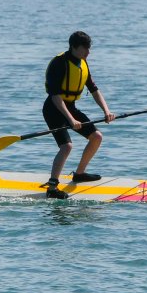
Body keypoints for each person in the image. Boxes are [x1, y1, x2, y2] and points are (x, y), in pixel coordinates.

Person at [41, 31, 115, 198]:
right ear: (74, 47)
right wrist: (71, 119)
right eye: (85, 49)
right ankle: (52, 188)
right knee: (66, 146)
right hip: (53, 109)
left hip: (70, 107)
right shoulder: (59, 63)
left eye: (89, 48)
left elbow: (94, 89)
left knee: (96, 137)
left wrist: (107, 111)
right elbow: (56, 97)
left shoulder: (83, 63)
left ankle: (79, 174)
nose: (88, 52)